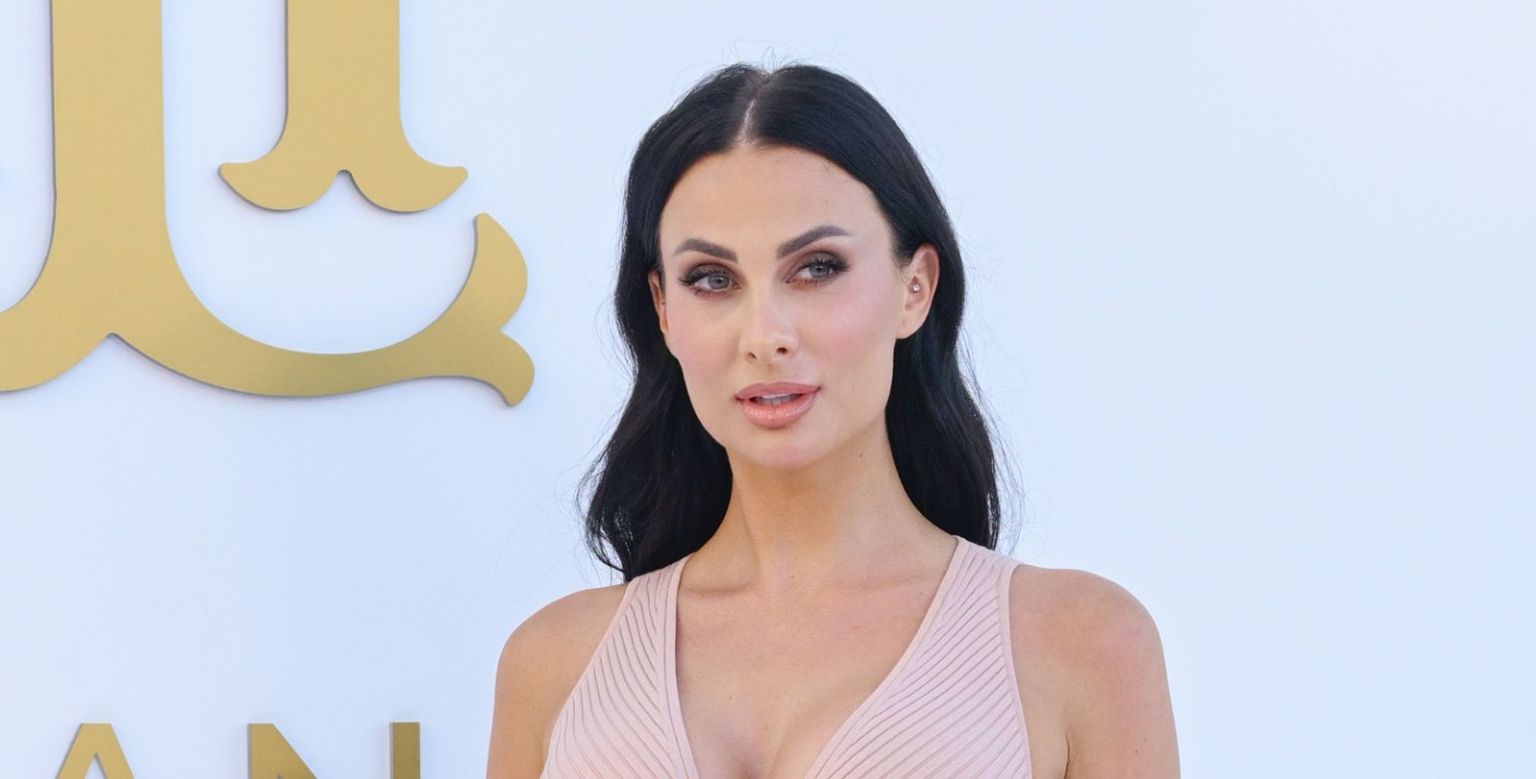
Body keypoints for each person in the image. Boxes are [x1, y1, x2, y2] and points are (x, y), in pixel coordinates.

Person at [487, 62, 1179, 778]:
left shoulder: (1079, 644)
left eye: (816, 268)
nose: (766, 335)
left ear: (916, 287)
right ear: (663, 308)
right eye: (712, 279)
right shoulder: (554, 666)